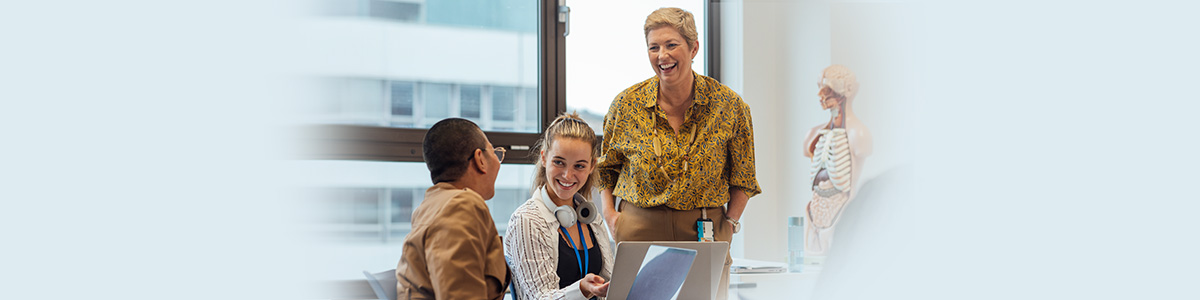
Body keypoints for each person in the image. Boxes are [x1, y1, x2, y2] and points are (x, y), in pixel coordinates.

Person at [595, 7, 761, 297]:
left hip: (705, 228)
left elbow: (744, 177)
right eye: (654, 47)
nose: (662, 56)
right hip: (638, 229)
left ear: (694, 47)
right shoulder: (625, 105)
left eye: (672, 45)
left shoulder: (730, 106)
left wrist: (729, 225)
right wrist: (611, 217)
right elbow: (606, 169)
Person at [395, 118, 511, 300]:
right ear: (480, 159)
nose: (498, 162)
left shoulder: (429, 206)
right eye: (494, 153)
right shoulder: (462, 206)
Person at [506, 112, 613, 300]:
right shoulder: (527, 220)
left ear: (592, 165)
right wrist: (581, 289)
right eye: (559, 162)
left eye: (579, 166)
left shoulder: (590, 217)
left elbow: (609, 282)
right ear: (544, 158)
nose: (567, 175)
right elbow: (540, 297)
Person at [802, 65, 872, 257]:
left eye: (829, 88)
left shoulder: (859, 134)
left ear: (847, 91)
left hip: (841, 212)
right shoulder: (813, 134)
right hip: (814, 212)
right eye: (820, 86)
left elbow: (852, 185)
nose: (821, 94)